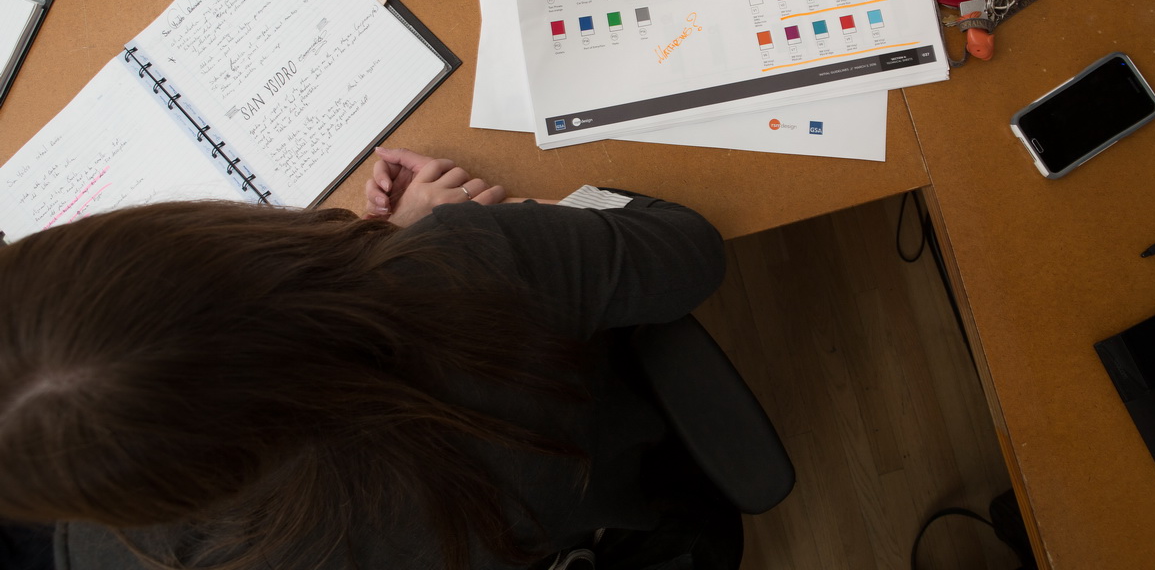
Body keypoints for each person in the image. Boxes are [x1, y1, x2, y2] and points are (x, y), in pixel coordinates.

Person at [0, 147, 726, 570]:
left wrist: (396, 244)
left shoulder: (108, 554)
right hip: (620, 514)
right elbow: (688, 250)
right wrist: (446, 239)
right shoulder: (475, 264)